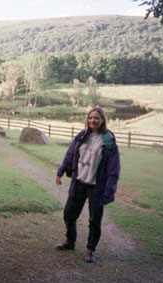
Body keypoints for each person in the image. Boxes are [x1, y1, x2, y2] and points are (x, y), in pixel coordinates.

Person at [55, 106, 120, 263]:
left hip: (96, 186)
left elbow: (114, 168)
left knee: (94, 220)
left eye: (96, 118)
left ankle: (91, 250)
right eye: (90, 118)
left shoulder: (108, 141)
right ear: (87, 120)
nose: (93, 120)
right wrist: (61, 171)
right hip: (79, 181)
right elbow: (70, 154)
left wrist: (109, 189)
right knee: (69, 214)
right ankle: (70, 242)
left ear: (102, 120)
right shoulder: (82, 136)